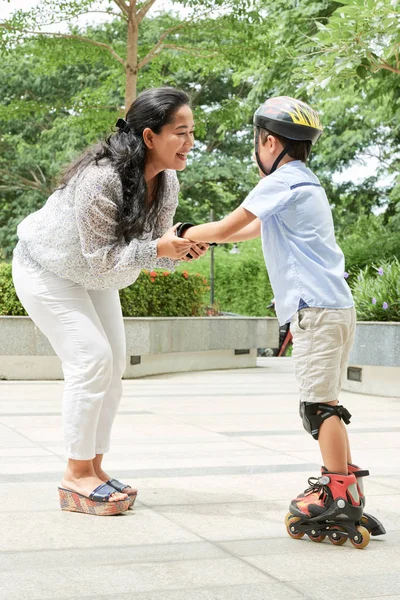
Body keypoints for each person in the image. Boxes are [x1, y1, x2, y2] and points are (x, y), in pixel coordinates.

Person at [177, 96, 385, 546]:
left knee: (319, 406)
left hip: (316, 311)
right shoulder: (305, 182)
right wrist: (205, 239)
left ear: (269, 141)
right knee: (325, 402)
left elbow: (227, 227)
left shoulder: (281, 182)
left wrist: (180, 235)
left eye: (258, 142)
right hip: (335, 308)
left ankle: (336, 495)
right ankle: (345, 488)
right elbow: (253, 229)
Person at [12, 87, 207, 516]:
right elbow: (105, 259)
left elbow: (147, 252)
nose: (191, 142)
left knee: (114, 365)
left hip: (94, 273)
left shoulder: (167, 179)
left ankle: (95, 468)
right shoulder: (101, 179)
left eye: (193, 132)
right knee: (92, 360)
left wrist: (179, 248)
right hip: (46, 268)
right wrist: (160, 248)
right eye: (181, 132)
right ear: (150, 136)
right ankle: (74, 474)